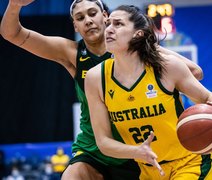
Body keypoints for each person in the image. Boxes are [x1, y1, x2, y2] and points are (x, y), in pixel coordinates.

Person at [0, 0, 204, 179]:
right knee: (72, 175)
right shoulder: (72, 53)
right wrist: (15, 4)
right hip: (96, 147)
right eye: (80, 17)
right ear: (75, 26)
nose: (87, 20)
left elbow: (194, 72)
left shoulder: (135, 48)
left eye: (92, 13)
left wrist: (155, 73)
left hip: (138, 148)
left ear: (105, 16)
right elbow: (12, 34)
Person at [85, 4, 212, 180]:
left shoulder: (165, 67)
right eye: (108, 24)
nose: (109, 30)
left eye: (118, 24)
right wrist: (136, 151)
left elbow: (207, 98)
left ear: (138, 33)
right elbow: (103, 142)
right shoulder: (95, 78)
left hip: (189, 163)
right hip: (148, 170)